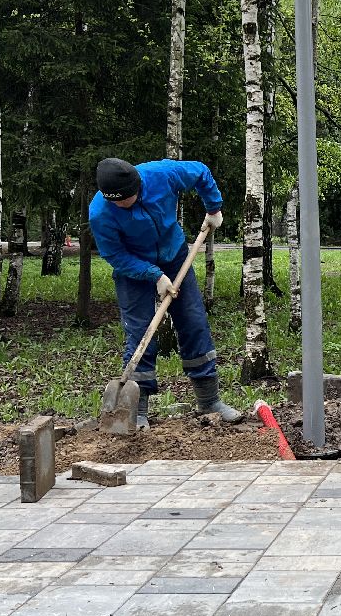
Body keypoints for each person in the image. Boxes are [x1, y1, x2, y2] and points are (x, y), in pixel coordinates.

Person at [88, 157, 243, 430]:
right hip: (133, 269)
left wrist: (213, 207)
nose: (123, 205)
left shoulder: (161, 174)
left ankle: (209, 401)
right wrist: (153, 275)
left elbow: (201, 173)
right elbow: (115, 255)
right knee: (141, 333)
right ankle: (137, 411)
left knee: (193, 322)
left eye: (127, 198)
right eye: (116, 202)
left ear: (138, 185)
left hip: (175, 257)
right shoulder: (100, 212)